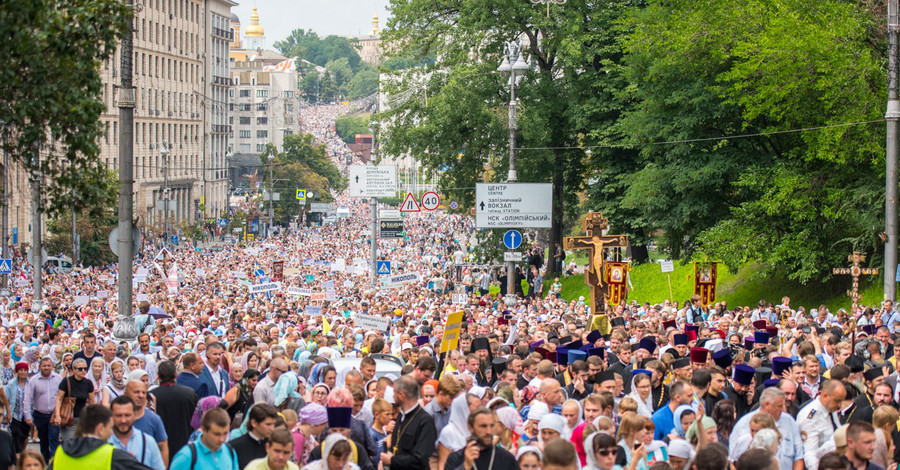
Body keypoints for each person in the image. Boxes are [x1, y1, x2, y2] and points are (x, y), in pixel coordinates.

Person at [48, 404, 147, 469]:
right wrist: (129, 459)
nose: (111, 432)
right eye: (109, 428)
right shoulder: (112, 455)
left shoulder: (60, 453)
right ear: (100, 428)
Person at [380, 375, 437, 470]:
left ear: (401, 395)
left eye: (394, 393)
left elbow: (420, 459)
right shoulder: (401, 416)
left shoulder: (425, 421)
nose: (393, 397)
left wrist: (392, 460)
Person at [149, 359, 198, 464]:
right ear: (176, 375)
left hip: (161, 448)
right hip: (185, 447)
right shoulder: (189, 394)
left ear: (158, 375)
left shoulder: (151, 396)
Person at [445, 407, 518, 470]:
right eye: (483, 426)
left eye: (491, 426)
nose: (488, 431)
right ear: (471, 428)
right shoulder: (456, 458)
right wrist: (465, 467)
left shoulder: (506, 458)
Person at [170, 407, 240, 470]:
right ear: (203, 429)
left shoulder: (230, 452)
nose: (221, 439)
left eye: (225, 433)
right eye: (216, 434)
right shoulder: (186, 456)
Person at [798, 380, 846, 470]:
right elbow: (810, 455)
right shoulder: (810, 418)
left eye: (841, 401)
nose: (839, 405)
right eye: (837, 401)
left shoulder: (831, 408)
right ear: (824, 396)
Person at [109, 396, 165, 470]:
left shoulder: (148, 442)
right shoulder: (103, 443)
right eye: (118, 416)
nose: (123, 420)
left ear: (135, 415)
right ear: (111, 416)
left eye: (127, 415)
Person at [25, 355, 63, 461]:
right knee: (44, 440)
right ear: (40, 367)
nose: (46, 368)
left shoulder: (58, 378)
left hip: (54, 414)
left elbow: (62, 396)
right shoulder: (34, 380)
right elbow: (28, 399)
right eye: (44, 366)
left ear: (52, 366)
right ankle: (45, 461)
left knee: (54, 438)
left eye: (48, 366)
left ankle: (54, 462)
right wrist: (27, 416)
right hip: (40, 414)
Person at [125, 379, 169, 465]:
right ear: (126, 394)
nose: (140, 396)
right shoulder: (116, 419)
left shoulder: (154, 419)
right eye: (136, 392)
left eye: (144, 393)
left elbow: (163, 447)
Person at [53, 357, 95, 442]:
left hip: (83, 419)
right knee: (70, 444)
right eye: (80, 369)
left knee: (82, 445)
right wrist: (57, 415)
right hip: (68, 418)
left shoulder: (88, 383)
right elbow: (59, 399)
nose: (83, 371)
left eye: (85, 368)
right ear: (74, 369)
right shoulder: (66, 381)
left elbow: (92, 401)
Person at [230, 402, 279, 469]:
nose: (272, 428)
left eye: (274, 424)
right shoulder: (234, 446)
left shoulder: (274, 445)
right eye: (268, 424)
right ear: (254, 423)